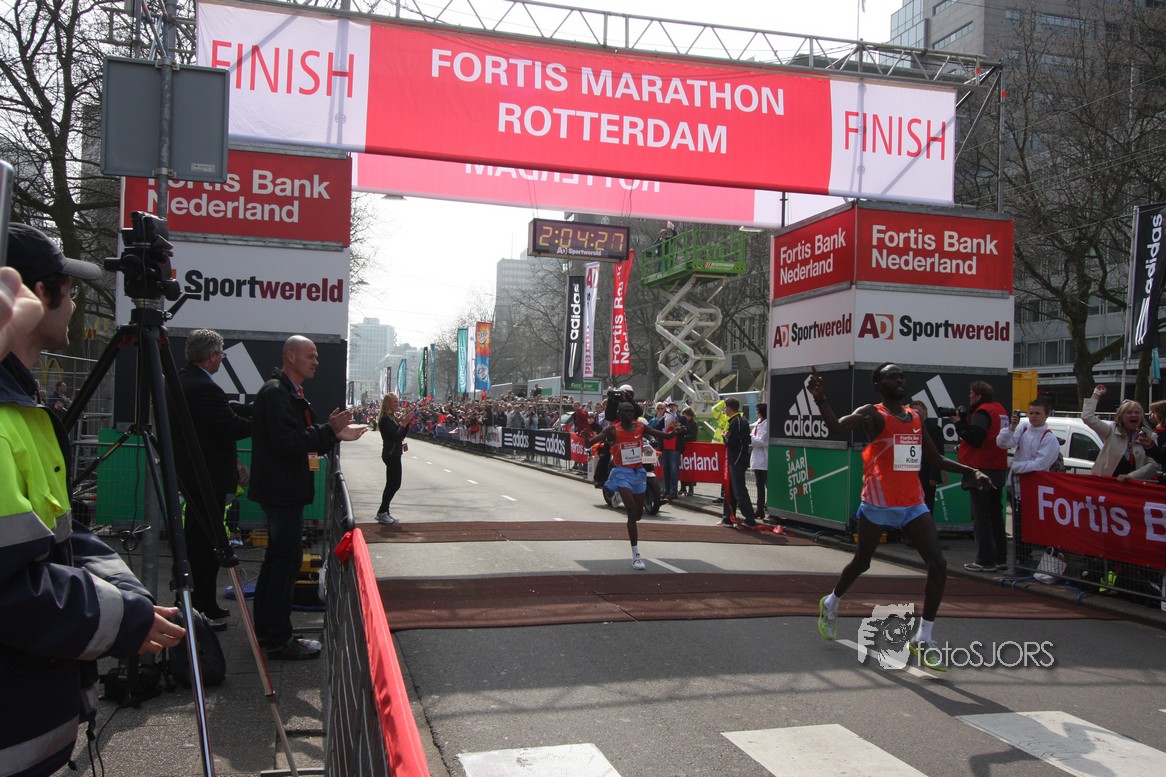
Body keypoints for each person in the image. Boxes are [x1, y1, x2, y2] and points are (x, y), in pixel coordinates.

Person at [1, 224, 185, 776]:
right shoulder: (7, 420)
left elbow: (59, 535)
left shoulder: (26, 410)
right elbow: (10, 587)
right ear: (35, 294)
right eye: (69, 288)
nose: (77, 301)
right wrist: (122, 617)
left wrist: (125, 593)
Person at [810, 363, 993, 672]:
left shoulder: (916, 418)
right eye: (892, 377)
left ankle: (924, 637)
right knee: (862, 562)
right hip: (878, 503)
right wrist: (820, 398)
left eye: (902, 376)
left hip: (912, 504)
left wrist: (971, 471)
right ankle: (831, 602)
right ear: (878, 385)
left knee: (938, 564)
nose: (900, 380)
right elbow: (838, 427)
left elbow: (935, 459)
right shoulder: (873, 413)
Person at [248, 335, 367, 660]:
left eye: (316, 356)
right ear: (290, 356)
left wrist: (332, 434)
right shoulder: (276, 393)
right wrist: (329, 431)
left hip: (284, 489)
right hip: (281, 491)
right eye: (310, 356)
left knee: (278, 561)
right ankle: (278, 638)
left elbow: (298, 440)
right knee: (284, 563)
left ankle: (268, 631)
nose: (316, 362)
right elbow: (287, 442)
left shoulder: (285, 392)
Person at [172, 329, 252, 628]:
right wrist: (265, 421)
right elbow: (230, 426)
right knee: (204, 546)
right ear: (213, 356)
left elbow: (223, 411)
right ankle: (200, 609)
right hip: (206, 478)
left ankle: (202, 604)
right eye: (221, 355)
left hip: (192, 474)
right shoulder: (203, 387)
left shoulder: (183, 380)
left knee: (200, 541)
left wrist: (252, 410)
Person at [590, 401, 675, 570]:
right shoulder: (612, 429)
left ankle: (617, 494)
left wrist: (675, 433)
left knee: (638, 515)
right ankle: (636, 556)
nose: (629, 414)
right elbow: (589, 443)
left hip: (639, 473)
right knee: (631, 512)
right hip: (622, 472)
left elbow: (664, 436)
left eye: (631, 411)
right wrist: (586, 437)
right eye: (626, 412)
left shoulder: (640, 427)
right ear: (620, 414)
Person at [950, 380, 1010, 573]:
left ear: (978, 395)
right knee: (995, 515)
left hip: (981, 469)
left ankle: (985, 560)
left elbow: (976, 438)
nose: (969, 396)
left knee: (981, 516)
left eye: (971, 393)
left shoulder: (982, 412)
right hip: (997, 467)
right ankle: (1000, 558)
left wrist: (959, 425)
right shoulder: (1000, 410)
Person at [995, 397, 1061, 570]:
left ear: (1046, 415)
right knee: (1018, 526)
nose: (1033, 416)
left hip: (1035, 490)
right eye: (1031, 413)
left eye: (1037, 413)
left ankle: (1025, 560)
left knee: (1029, 527)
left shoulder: (1049, 438)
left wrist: (1016, 467)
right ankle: (1020, 561)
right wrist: (1011, 427)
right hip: (1017, 488)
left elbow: (1040, 465)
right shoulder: (1023, 428)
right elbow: (1002, 443)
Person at [1082, 385, 1159, 480]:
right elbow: (1087, 417)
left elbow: (1154, 464)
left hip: (1134, 485)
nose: (1134, 415)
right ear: (1121, 417)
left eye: (1137, 412)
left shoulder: (1150, 436)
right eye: (1129, 412)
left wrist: (1131, 476)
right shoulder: (1111, 430)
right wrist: (1096, 394)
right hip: (1106, 483)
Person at [376, 392, 414, 525]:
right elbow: (396, 436)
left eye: (397, 401)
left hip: (395, 453)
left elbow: (401, 435)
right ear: (388, 403)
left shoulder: (391, 417)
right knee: (394, 484)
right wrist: (403, 424)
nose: (397, 404)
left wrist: (406, 424)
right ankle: (382, 511)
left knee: (392, 484)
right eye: (395, 402)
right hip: (391, 453)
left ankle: (385, 511)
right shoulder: (385, 419)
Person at [722, 397, 760, 528]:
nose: (724, 410)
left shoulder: (736, 422)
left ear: (730, 408)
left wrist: (725, 437)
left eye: (725, 407)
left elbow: (733, 442)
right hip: (737, 459)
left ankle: (749, 518)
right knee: (731, 489)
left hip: (737, 460)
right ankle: (728, 517)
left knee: (739, 490)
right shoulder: (739, 421)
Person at [909, 400, 946, 513]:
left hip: (926, 475)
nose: (916, 413)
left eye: (919, 411)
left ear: (925, 411)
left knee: (926, 506)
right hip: (910, 475)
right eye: (914, 411)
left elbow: (938, 454)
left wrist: (934, 476)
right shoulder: (907, 427)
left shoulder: (934, 428)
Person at [751, 403, 770, 522]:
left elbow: (763, 441)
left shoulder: (767, 424)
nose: (756, 412)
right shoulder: (758, 423)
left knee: (768, 485)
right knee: (759, 486)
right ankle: (760, 508)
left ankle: (769, 507)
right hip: (757, 460)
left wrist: (750, 438)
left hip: (765, 459)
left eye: (758, 410)